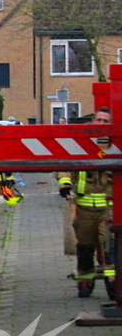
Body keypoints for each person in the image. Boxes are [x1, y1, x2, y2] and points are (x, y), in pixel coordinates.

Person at [58, 107, 113, 297]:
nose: (101, 124)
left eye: (106, 122)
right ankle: (85, 282)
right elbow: (65, 166)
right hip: (84, 209)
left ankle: (113, 286)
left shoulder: (116, 145)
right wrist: (64, 184)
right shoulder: (79, 144)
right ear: (92, 122)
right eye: (98, 120)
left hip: (109, 210)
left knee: (110, 249)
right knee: (85, 249)